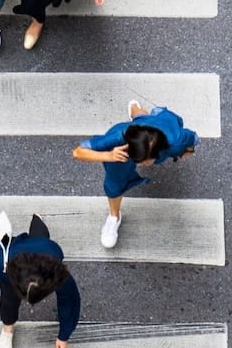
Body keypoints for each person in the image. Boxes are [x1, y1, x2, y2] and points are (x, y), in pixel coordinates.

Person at [71, 101, 199, 249]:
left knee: (142, 117)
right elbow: (77, 152)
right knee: (114, 183)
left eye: (144, 161)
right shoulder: (119, 136)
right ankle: (114, 217)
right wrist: (109, 155)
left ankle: (135, 108)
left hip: (154, 127)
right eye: (139, 161)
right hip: (122, 151)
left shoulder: (176, 140)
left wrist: (186, 151)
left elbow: (192, 140)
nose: (141, 165)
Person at [0, 212, 80, 348]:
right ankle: (8, 328)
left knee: (8, 299)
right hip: (39, 248)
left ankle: (8, 328)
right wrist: (63, 336)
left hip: (30, 254)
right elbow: (70, 301)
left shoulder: (56, 271)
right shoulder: (54, 254)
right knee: (8, 301)